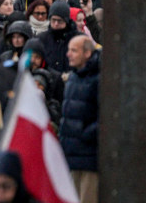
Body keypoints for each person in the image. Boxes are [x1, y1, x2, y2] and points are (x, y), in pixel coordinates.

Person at [61, 36, 100, 203]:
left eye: (74, 50)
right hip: (72, 155)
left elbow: (104, 114)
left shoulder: (98, 79)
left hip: (89, 156)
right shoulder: (74, 77)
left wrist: (85, 134)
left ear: (87, 53)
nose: (68, 54)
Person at [36, 1, 79, 73]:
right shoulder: (41, 39)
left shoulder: (78, 39)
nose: (56, 24)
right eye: (53, 20)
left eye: (60, 21)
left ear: (66, 21)